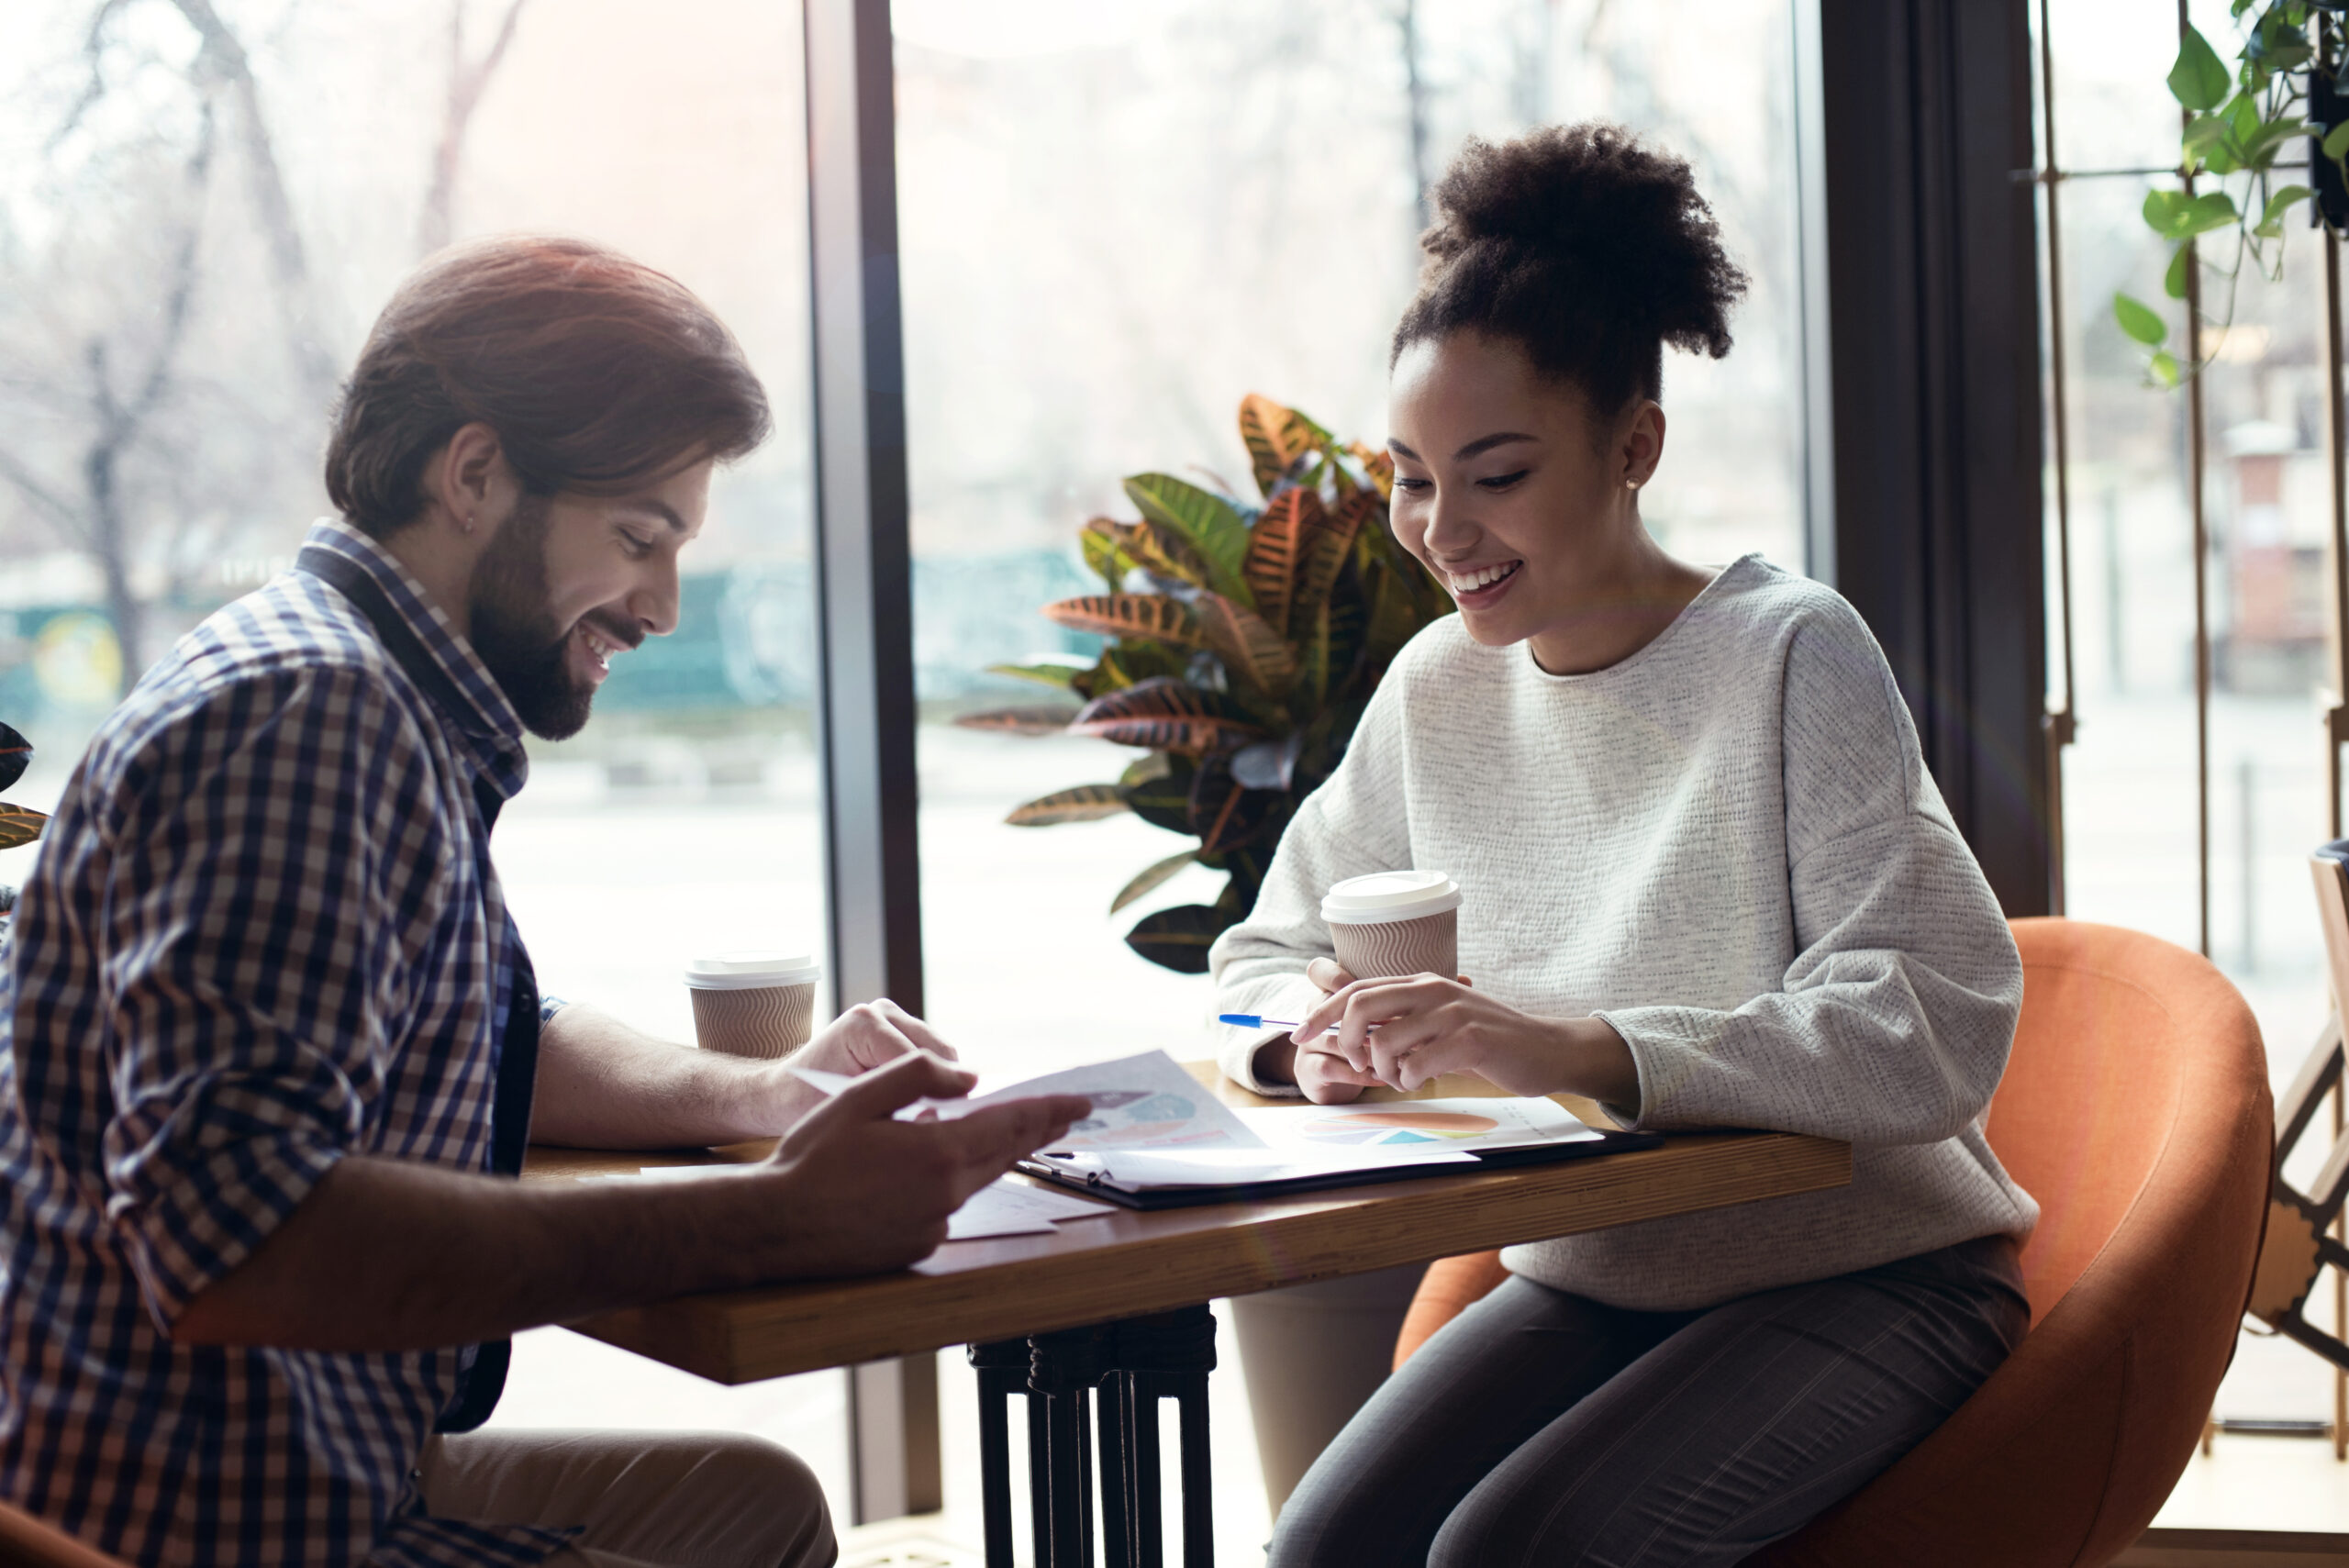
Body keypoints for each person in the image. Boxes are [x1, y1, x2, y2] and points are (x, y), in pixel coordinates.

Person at [0, 236, 1086, 1568]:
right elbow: (240, 1237)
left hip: (294, 1458)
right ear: (472, 473)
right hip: (210, 1523)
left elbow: (486, 1024)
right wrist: (767, 1220)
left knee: (764, 1508)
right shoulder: (313, 715)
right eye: (641, 538)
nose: (665, 604)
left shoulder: (359, 683)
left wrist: (764, 1096)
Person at [1210, 125, 2038, 1567]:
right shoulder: (1438, 690)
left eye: (1497, 474)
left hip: (1874, 1271)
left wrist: (1579, 1046)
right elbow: (1254, 957)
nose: (1439, 528)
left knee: (1517, 1553)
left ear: (1633, 447)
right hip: (1600, 1272)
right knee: (1322, 1551)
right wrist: (1304, 1034)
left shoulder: (1786, 651)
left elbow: (1923, 1024)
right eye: (1410, 476)